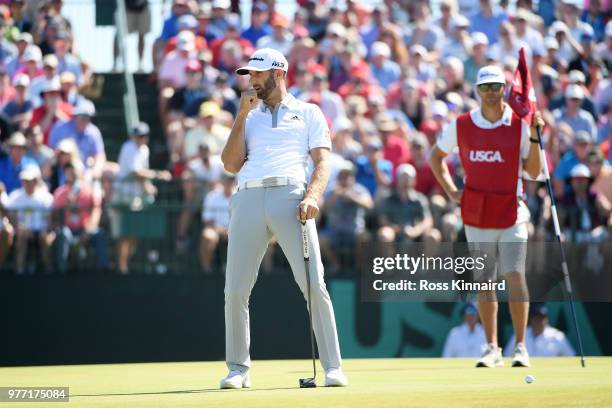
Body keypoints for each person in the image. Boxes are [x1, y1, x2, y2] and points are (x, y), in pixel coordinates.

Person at [220, 48, 347, 388]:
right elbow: (231, 165)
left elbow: (322, 163)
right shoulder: (248, 114)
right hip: (247, 196)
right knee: (234, 289)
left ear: (278, 73)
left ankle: (333, 367)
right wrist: (240, 117)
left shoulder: (308, 112)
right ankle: (238, 370)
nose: (251, 80)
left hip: (291, 197)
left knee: (313, 284)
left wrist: (313, 196)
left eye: (257, 74)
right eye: (250, 75)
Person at [430, 65, 543, 368]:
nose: (491, 92)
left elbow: (533, 171)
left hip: (512, 209)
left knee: (514, 274)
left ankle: (520, 347)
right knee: (484, 281)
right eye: (485, 87)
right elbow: (436, 157)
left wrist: (533, 135)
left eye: (496, 86)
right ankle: (491, 348)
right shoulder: (462, 124)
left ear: (505, 88)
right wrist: (453, 191)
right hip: (476, 212)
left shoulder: (520, 123)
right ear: (477, 91)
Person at [112, 122, 171, 274]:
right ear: (133, 136)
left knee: (134, 232)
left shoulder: (144, 149)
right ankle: (121, 267)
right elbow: (136, 172)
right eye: (138, 135)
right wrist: (158, 175)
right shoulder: (128, 148)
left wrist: (147, 188)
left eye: (143, 136)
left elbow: (141, 175)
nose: (140, 138)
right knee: (125, 232)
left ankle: (125, 265)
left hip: (135, 196)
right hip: (123, 195)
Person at [52, 161, 108, 273]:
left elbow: (96, 212)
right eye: (68, 170)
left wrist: (88, 230)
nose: (71, 172)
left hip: (85, 229)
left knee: (99, 235)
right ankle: (61, 271)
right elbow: (55, 217)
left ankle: (103, 271)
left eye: (74, 169)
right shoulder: (59, 193)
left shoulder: (90, 191)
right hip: (67, 229)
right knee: (63, 234)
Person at [4, 166, 54, 274]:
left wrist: (47, 231)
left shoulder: (46, 198)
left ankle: (49, 270)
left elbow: (51, 219)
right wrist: (17, 226)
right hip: (22, 232)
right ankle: (19, 270)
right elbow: (8, 215)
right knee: (22, 236)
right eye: (25, 181)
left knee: (44, 238)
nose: (27, 184)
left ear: (36, 181)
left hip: (42, 231)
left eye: (30, 181)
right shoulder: (15, 197)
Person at [503, 304, 576, 357]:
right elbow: (507, 355)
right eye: (537, 318)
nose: (539, 321)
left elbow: (570, 356)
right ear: (531, 319)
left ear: (547, 320)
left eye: (542, 318)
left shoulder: (557, 336)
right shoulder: (519, 334)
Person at [199, 171, 234, 273]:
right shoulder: (212, 197)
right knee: (208, 236)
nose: (228, 183)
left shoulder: (239, 195)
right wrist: (222, 231)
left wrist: (231, 231)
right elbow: (207, 221)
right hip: (216, 230)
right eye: (226, 180)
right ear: (222, 182)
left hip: (235, 231)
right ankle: (207, 271)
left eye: (231, 180)